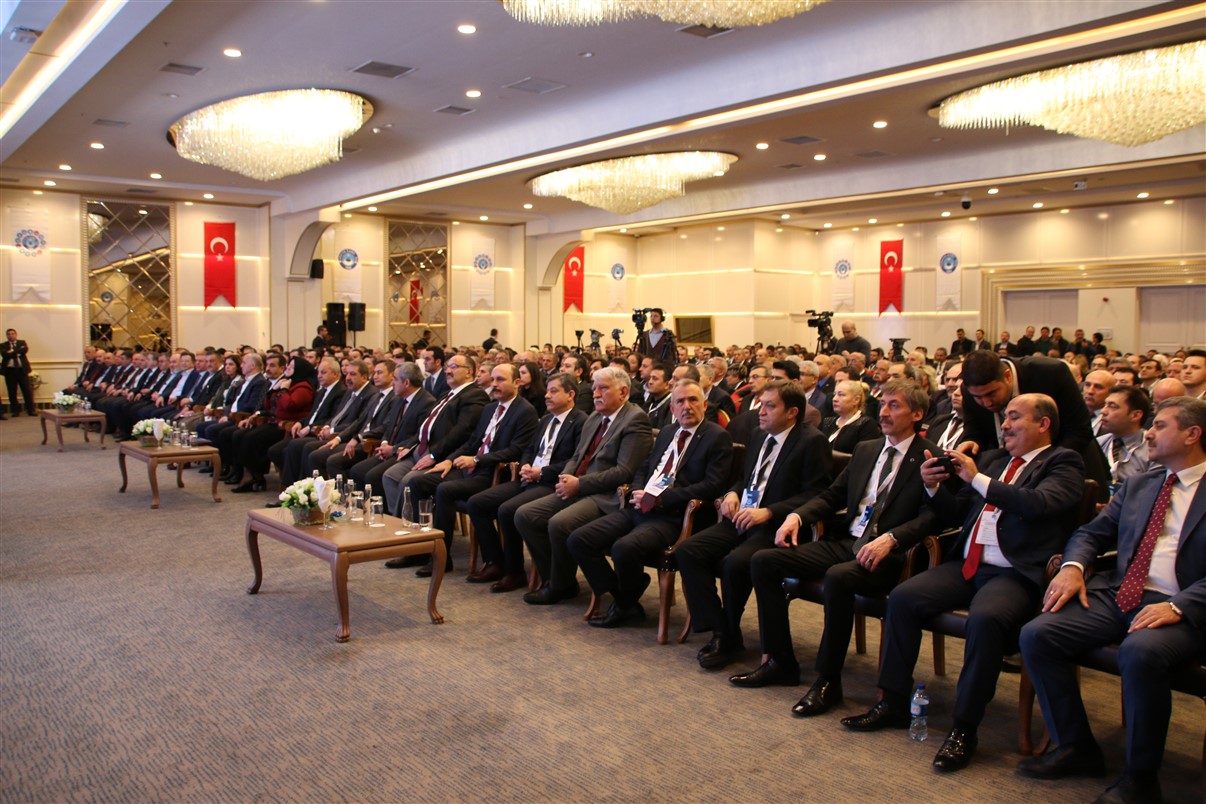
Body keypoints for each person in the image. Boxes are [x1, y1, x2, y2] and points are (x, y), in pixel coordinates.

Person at [842, 393, 1086, 774]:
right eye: (1004, 418)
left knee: (985, 620)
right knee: (904, 597)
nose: (1005, 425)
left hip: (1014, 572)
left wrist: (977, 479)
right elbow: (958, 514)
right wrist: (933, 489)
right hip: (968, 565)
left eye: (1015, 417)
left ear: (1043, 424)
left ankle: (964, 727)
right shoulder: (995, 461)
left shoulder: (1063, 462)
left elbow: (1037, 504)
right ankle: (892, 701)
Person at [1017, 397, 1205, 804]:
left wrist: (1178, 606)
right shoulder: (1142, 484)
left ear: (1193, 434)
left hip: (1184, 606)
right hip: (1123, 592)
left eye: (1161, 426)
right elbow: (1091, 533)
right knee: (1038, 634)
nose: (1149, 433)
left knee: (1140, 652)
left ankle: (1141, 778)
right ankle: (1076, 746)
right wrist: (1073, 567)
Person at [732, 380, 940, 703]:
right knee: (764, 560)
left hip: (888, 552)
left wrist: (892, 538)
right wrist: (797, 516)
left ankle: (828, 680)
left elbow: (933, 516)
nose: (884, 413)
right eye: (883, 405)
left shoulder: (930, 456)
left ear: (917, 414)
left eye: (894, 406)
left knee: (838, 577)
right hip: (848, 540)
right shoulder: (867, 449)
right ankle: (780, 660)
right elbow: (832, 496)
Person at [676, 380, 833, 669]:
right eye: (761, 404)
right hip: (743, 518)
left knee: (736, 563)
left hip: (777, 526)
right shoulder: (760, 434)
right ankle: (722, 630)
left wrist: (770, 512)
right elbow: (746, 479)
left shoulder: (812, 441)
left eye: (770, 406)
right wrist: (732, 493)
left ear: (792, 412)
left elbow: (817, 493)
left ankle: (726, 637)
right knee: (688, 550)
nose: (761, 411)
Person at [567, 380, 733, 627]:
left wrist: (662, 499)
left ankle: (625, 604)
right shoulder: (667, 432)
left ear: (705, 404)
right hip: (641, 507)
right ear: (673, 408)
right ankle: (625, 598)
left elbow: (713, 485)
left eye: (693, 400)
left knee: (624, 548)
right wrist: (638, 490)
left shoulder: (716, 436)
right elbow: (645, 467)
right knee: (579, 539)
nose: (686, 406)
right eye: (680, 401)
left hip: (673, 515)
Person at [515, 366, 653, 605]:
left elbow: (624, 471)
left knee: (559, 523)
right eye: (594, 388)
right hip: (578, 486)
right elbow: (577, 456)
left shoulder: (635, 419)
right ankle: (556, 579)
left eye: (603, 388)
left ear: (623, 392)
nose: (595, 393)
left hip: (606, 495)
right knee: (525, 515)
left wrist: (580, 484)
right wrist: (566, 476)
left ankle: (561, 587)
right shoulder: (595, 417)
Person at [405, 363, 539, 576]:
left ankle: (441, 557)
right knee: (418, 482)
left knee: (445, 490)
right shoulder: (490, 409)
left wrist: (477, 459)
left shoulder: (525, 411)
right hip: (471, 468)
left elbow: (515, 450)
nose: (495, 384)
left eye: (501, 380)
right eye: (493, 379)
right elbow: (473, 441)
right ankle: (420, 549)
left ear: (516, 382)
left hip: (493, 472)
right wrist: (449, 460)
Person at [463, 373, 587, 591]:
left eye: (554, 391)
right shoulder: (546, 419)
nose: (547, 396)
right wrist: (526, 466)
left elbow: (574, 461)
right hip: (529, 479)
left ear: (570, 394)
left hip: (551, 483)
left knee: (507, 510)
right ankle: (496, 563)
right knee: (477, 503)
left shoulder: (580, 421)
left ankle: (515, 572)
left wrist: (542, 473)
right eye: (547, 391)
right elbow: (529, 449)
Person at [958, 350, 1110, 501]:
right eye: (978, 397)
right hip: (1009, 474)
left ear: (1007, 376)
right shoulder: (969, 390)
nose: (987, 403)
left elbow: (1079, 430)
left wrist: (1039, 466)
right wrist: (971, 441)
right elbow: (975, 431)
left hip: (1069, 469)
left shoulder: (1051, 373)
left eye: (991, 393)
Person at [1097, 386, 1155, 491]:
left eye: (1112, 406)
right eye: (1105, 405)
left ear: (1135, 415)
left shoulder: (1153, 448)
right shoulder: (1098, 443)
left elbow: (1152, 490)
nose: (1103, 411)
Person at [821, 379, 880, 453]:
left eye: (841, 395)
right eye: (834, 394)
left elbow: (864, 455)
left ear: (856, 400)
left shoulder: (866, 424)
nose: (834, 399)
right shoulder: (827, 422)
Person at [1, 329, 35, 416]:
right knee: (12, 392)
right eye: (9, 334)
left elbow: (24, 350)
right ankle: (15, 411)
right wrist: (18, 351)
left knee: (27, 391)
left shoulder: (22, 342)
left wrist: (11, 352)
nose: (11, 335)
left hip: (22, 370)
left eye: (12, 334)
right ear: (7, 336)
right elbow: (5, 354)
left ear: (16, 335)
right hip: (10, 371)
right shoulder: (3, 345)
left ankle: (31, 410)